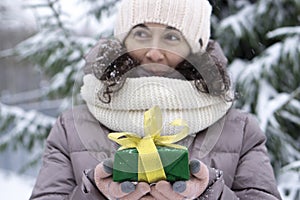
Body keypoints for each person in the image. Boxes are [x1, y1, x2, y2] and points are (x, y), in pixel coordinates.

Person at [30, 0, 282, 199]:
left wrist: (210, 194)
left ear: (196, 49)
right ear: (122, 41)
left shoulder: (241, 131)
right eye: (141, 34)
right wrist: (94, 194)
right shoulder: (70, 128)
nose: (154, 52)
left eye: (172, 37)